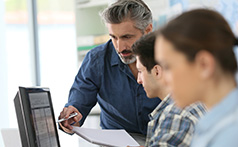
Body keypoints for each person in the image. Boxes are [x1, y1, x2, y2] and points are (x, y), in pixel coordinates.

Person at [58, 0, 161, 145]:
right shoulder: (97, 60)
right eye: (113, 37)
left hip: (162, 141)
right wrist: (71, 117)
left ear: (148, 30)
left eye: (127, 37)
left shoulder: (167, 56)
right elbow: (77, 103)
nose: (119, 47)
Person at [155, 9, 238, 147]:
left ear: (204, 65)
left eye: (168, 67)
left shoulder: (236, 132)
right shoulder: (219, 122)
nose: (163, 80)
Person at [131, 32, 206, 147]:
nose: (139, 80)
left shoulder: (176, 116)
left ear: (157, 71)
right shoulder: (196, 101)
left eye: (140, 71)